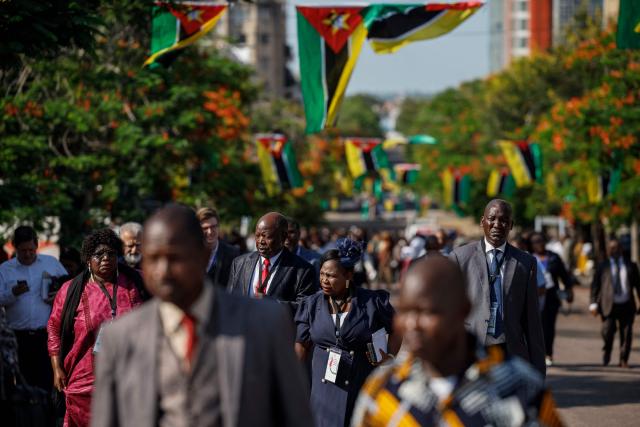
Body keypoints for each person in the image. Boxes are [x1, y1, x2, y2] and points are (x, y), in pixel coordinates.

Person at [90, 204, 312, 427]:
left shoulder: (266, 323)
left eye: (175, 257)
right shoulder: (118, 338)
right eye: (153, 258)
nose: (163, 271)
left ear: (203, 255)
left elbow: (295, 416)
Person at [351, 257, 563, 427]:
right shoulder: (384, 388)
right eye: (405, 311)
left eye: (427, 312)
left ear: (463, 311)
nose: (412, 324)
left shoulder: (520, 389)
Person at [47, 228, 148, 426]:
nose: (105, 258)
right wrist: (56, 367)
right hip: (84, 381)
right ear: (87, 259)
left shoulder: (136, 283)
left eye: (111, 253)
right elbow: (54, 328)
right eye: (98, 254)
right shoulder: (71, 290)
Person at [294, 239, 400, 427]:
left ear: (348, 275)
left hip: (360, 386)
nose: (325, 280)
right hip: (322, 391)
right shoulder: (311, 304)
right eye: (322, 274)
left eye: (332, 276)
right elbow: (301, 346)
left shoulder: (371, 302)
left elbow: (399, 328)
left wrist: (389, 356)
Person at [449, 199, 545, 375]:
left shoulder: (525, 262)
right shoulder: (460, 258)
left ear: (511, 225)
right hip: (473, 351)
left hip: (511, 351)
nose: (497, 225)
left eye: (503, 220)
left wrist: (538, 369)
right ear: (482, 221)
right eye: (492, 219)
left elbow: (532, 321)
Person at [0, 225, 67, 392]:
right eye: (23, 251)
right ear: (15, 247)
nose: (28, 254)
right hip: (17, 338)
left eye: (31, 249)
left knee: (47, 384)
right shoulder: (5, 269)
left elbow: (68, 288)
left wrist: (58, 296)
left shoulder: (51, 263)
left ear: (36, 245)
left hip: (46, 336)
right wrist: (12, 293)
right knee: (22, 388)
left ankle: (47, 417)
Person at [227, 212, 316, 312]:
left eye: (266, 236)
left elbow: (305, 308)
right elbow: (229, 300)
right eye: (257, 235)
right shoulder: (239, 263)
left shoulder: (303, 270)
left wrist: (272, 303)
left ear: (283, 237)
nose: (261, 241)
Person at [590, 238, 640, 368]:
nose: (615, 250)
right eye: (611, 248)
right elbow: (595, 285)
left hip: (627, 304)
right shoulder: (603, 265)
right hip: (608, 305)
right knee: (607, 331)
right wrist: (593, 304)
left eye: (617, 247)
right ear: (608, 250)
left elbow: (638, 285)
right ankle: (607, 350)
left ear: (621, 249)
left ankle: (623, 360)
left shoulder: (631, 265)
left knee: (627, 334)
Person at [530, 231, 574, 367]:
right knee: (536, 328)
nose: (539, 244)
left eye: (541, 241)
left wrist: (569, 291)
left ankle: (548, 354)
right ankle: (536, 354)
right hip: (534, 297)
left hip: (551, 298)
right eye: (535, 242)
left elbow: (565, 276)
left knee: (549, 328)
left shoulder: (554, 257)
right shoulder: (529, 258)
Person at [196, 207, 240, 288]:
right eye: (205, 228)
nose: (210, 232)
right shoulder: (189, 253)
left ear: (218, 227)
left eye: (213, 227)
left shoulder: (233, 254)